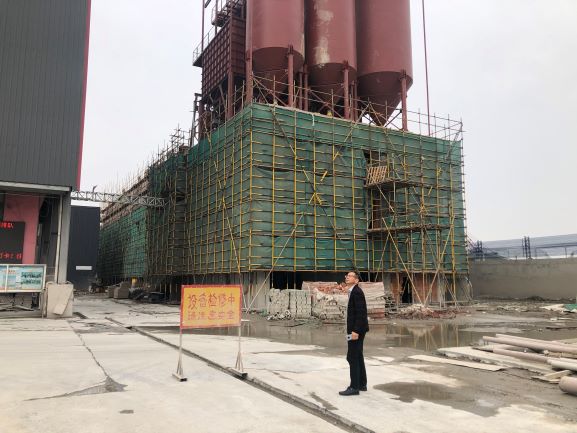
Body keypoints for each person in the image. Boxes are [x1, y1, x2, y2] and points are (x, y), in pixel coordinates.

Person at [339, 271, 369, 396]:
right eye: (347, 276)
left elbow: (361, 313)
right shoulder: (352, 291)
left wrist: (355, 331)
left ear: (356, 280)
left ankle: (354, 387)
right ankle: (362, 384)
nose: (347, 277)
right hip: (356, 330)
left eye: (350, 276)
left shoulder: (356, 292)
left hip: (356, 331)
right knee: (358, 355)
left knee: (352, 357)